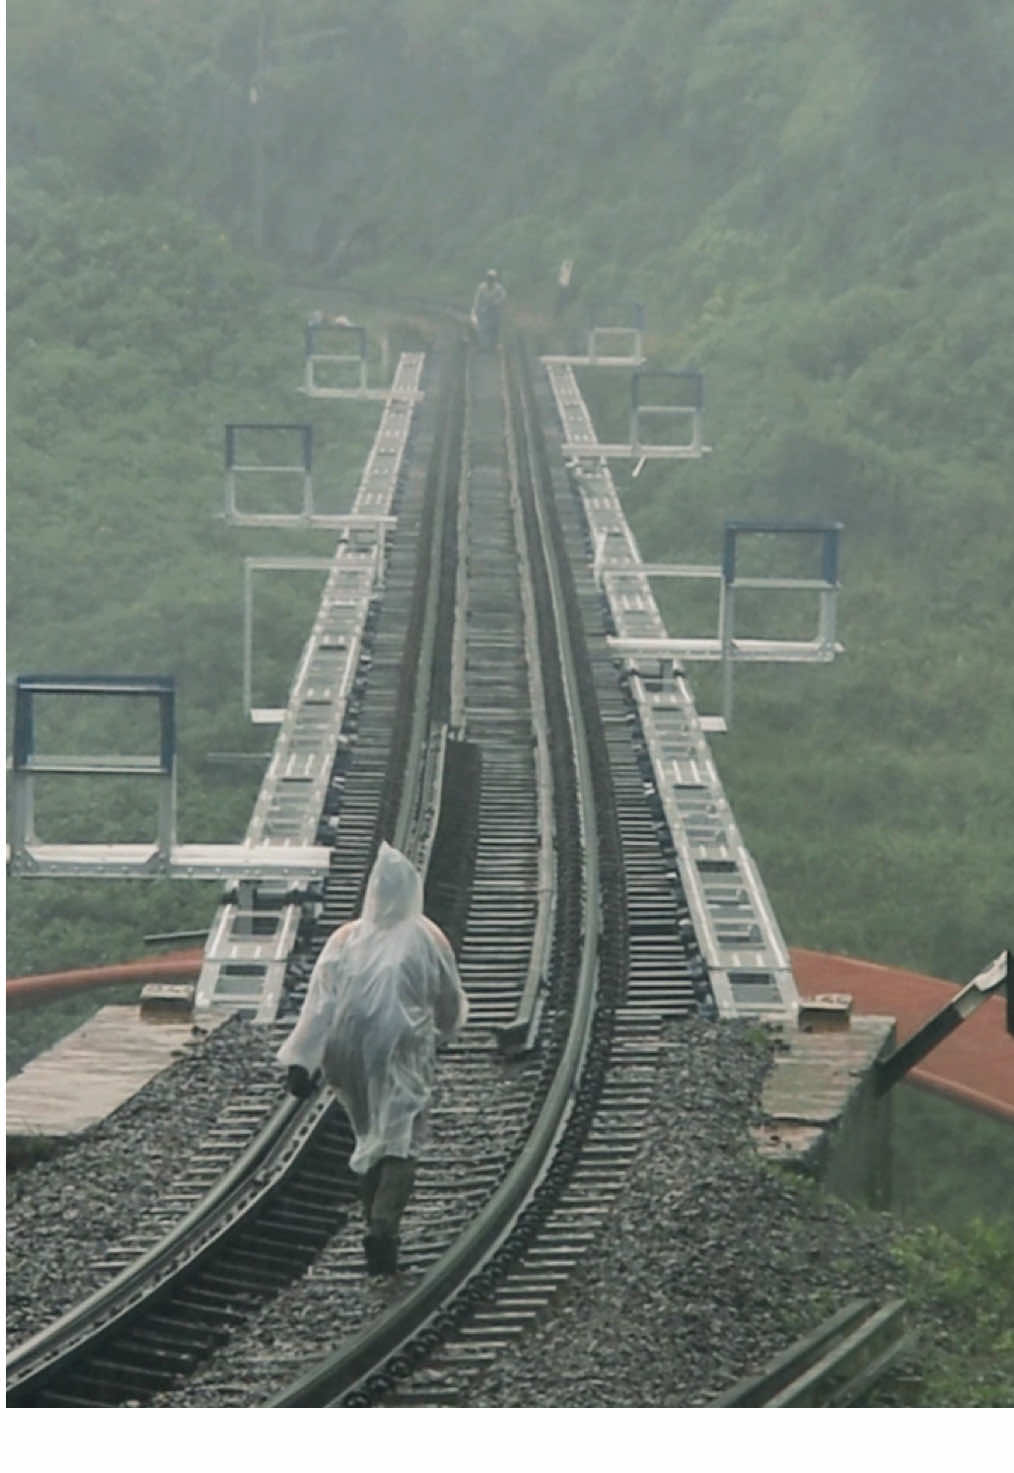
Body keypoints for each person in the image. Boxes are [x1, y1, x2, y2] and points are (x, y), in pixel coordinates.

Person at [277, 841, 468, 1276]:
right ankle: (383, 1228)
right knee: (400, 1138)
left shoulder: (345, 938)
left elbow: (319, 1003)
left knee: (369, 1136)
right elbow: (448, 1000)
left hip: (346, 1054)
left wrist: (301, 1062)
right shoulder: (426, 936)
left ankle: (373, 1224)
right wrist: (447, 1029)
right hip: (399, 1047)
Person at [470, 268, 507, 350]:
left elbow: (503, 298)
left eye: (492, 278)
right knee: (483, 328)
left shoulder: (499, 288)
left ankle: (496, 344)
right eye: (489, 278)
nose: (490, 280)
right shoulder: (481, 287)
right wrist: (475, 310)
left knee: (495, 328)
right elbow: (477, 300)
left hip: (495, 312)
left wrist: (495, 303)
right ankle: (484, 345)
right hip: (484, 311)